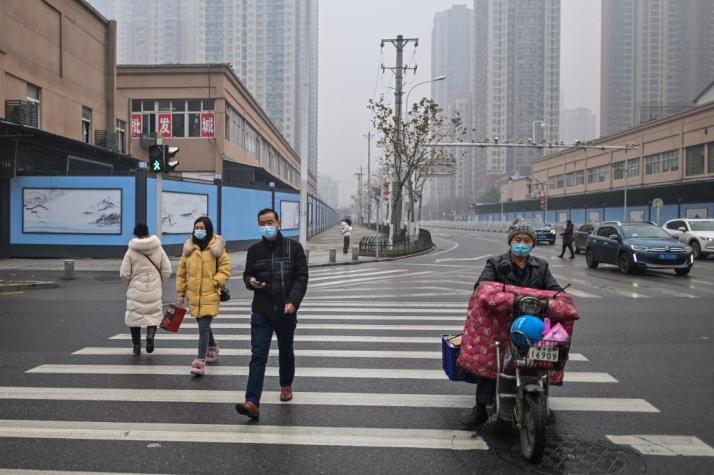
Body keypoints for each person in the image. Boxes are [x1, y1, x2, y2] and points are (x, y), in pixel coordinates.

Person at [463, 223, 561, 429]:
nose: (522, 244)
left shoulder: (541, 267)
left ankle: (542, 402)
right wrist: (507, 299)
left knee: (543, 356)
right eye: (518, 240)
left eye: (527, 241)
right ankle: (480, 407)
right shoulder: (496, 263)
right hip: (501, 323)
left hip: (532, 323)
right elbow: (482, 287)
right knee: (493, 360)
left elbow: (554, 290)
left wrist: (555, 299)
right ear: (510, 242)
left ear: (532, 244)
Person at [235, 208, 309, 419]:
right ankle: (252, 402)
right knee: (258, 355)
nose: (266, 226)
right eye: (262, 223)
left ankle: (286, 384)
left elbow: (301, 277)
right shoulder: (254, 250)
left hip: (286, 311)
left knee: (286, 350)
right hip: (262, 310)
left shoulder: (294, 248)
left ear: (278, 222)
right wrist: (251, 282)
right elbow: (248, 274)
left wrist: (293, 301)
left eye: (270, 222)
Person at [176, 216, 231, 376]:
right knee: (203, 324)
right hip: (194, 295)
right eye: (196, 227)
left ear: (208, 229)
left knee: (203, 327)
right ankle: (212, 347)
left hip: (210, 292)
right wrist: (181, 292)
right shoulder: (189, 248)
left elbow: (225, 268)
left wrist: (216, 281)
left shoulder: (216, 247)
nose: (199, 230)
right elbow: (182, 272)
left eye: (202, 228)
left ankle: (200, 361)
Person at [120, 223, 172, 356]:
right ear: (148, 233)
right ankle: (150, 337)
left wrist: (130, 283)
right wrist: (159, 282)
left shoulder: (131, 251)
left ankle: (136, 346)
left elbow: (124, 274)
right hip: (154, 289)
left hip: (136, 290)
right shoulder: (158, 248)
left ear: (135, 233)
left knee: (135, 317)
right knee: (152, 315)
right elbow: (167, 270)